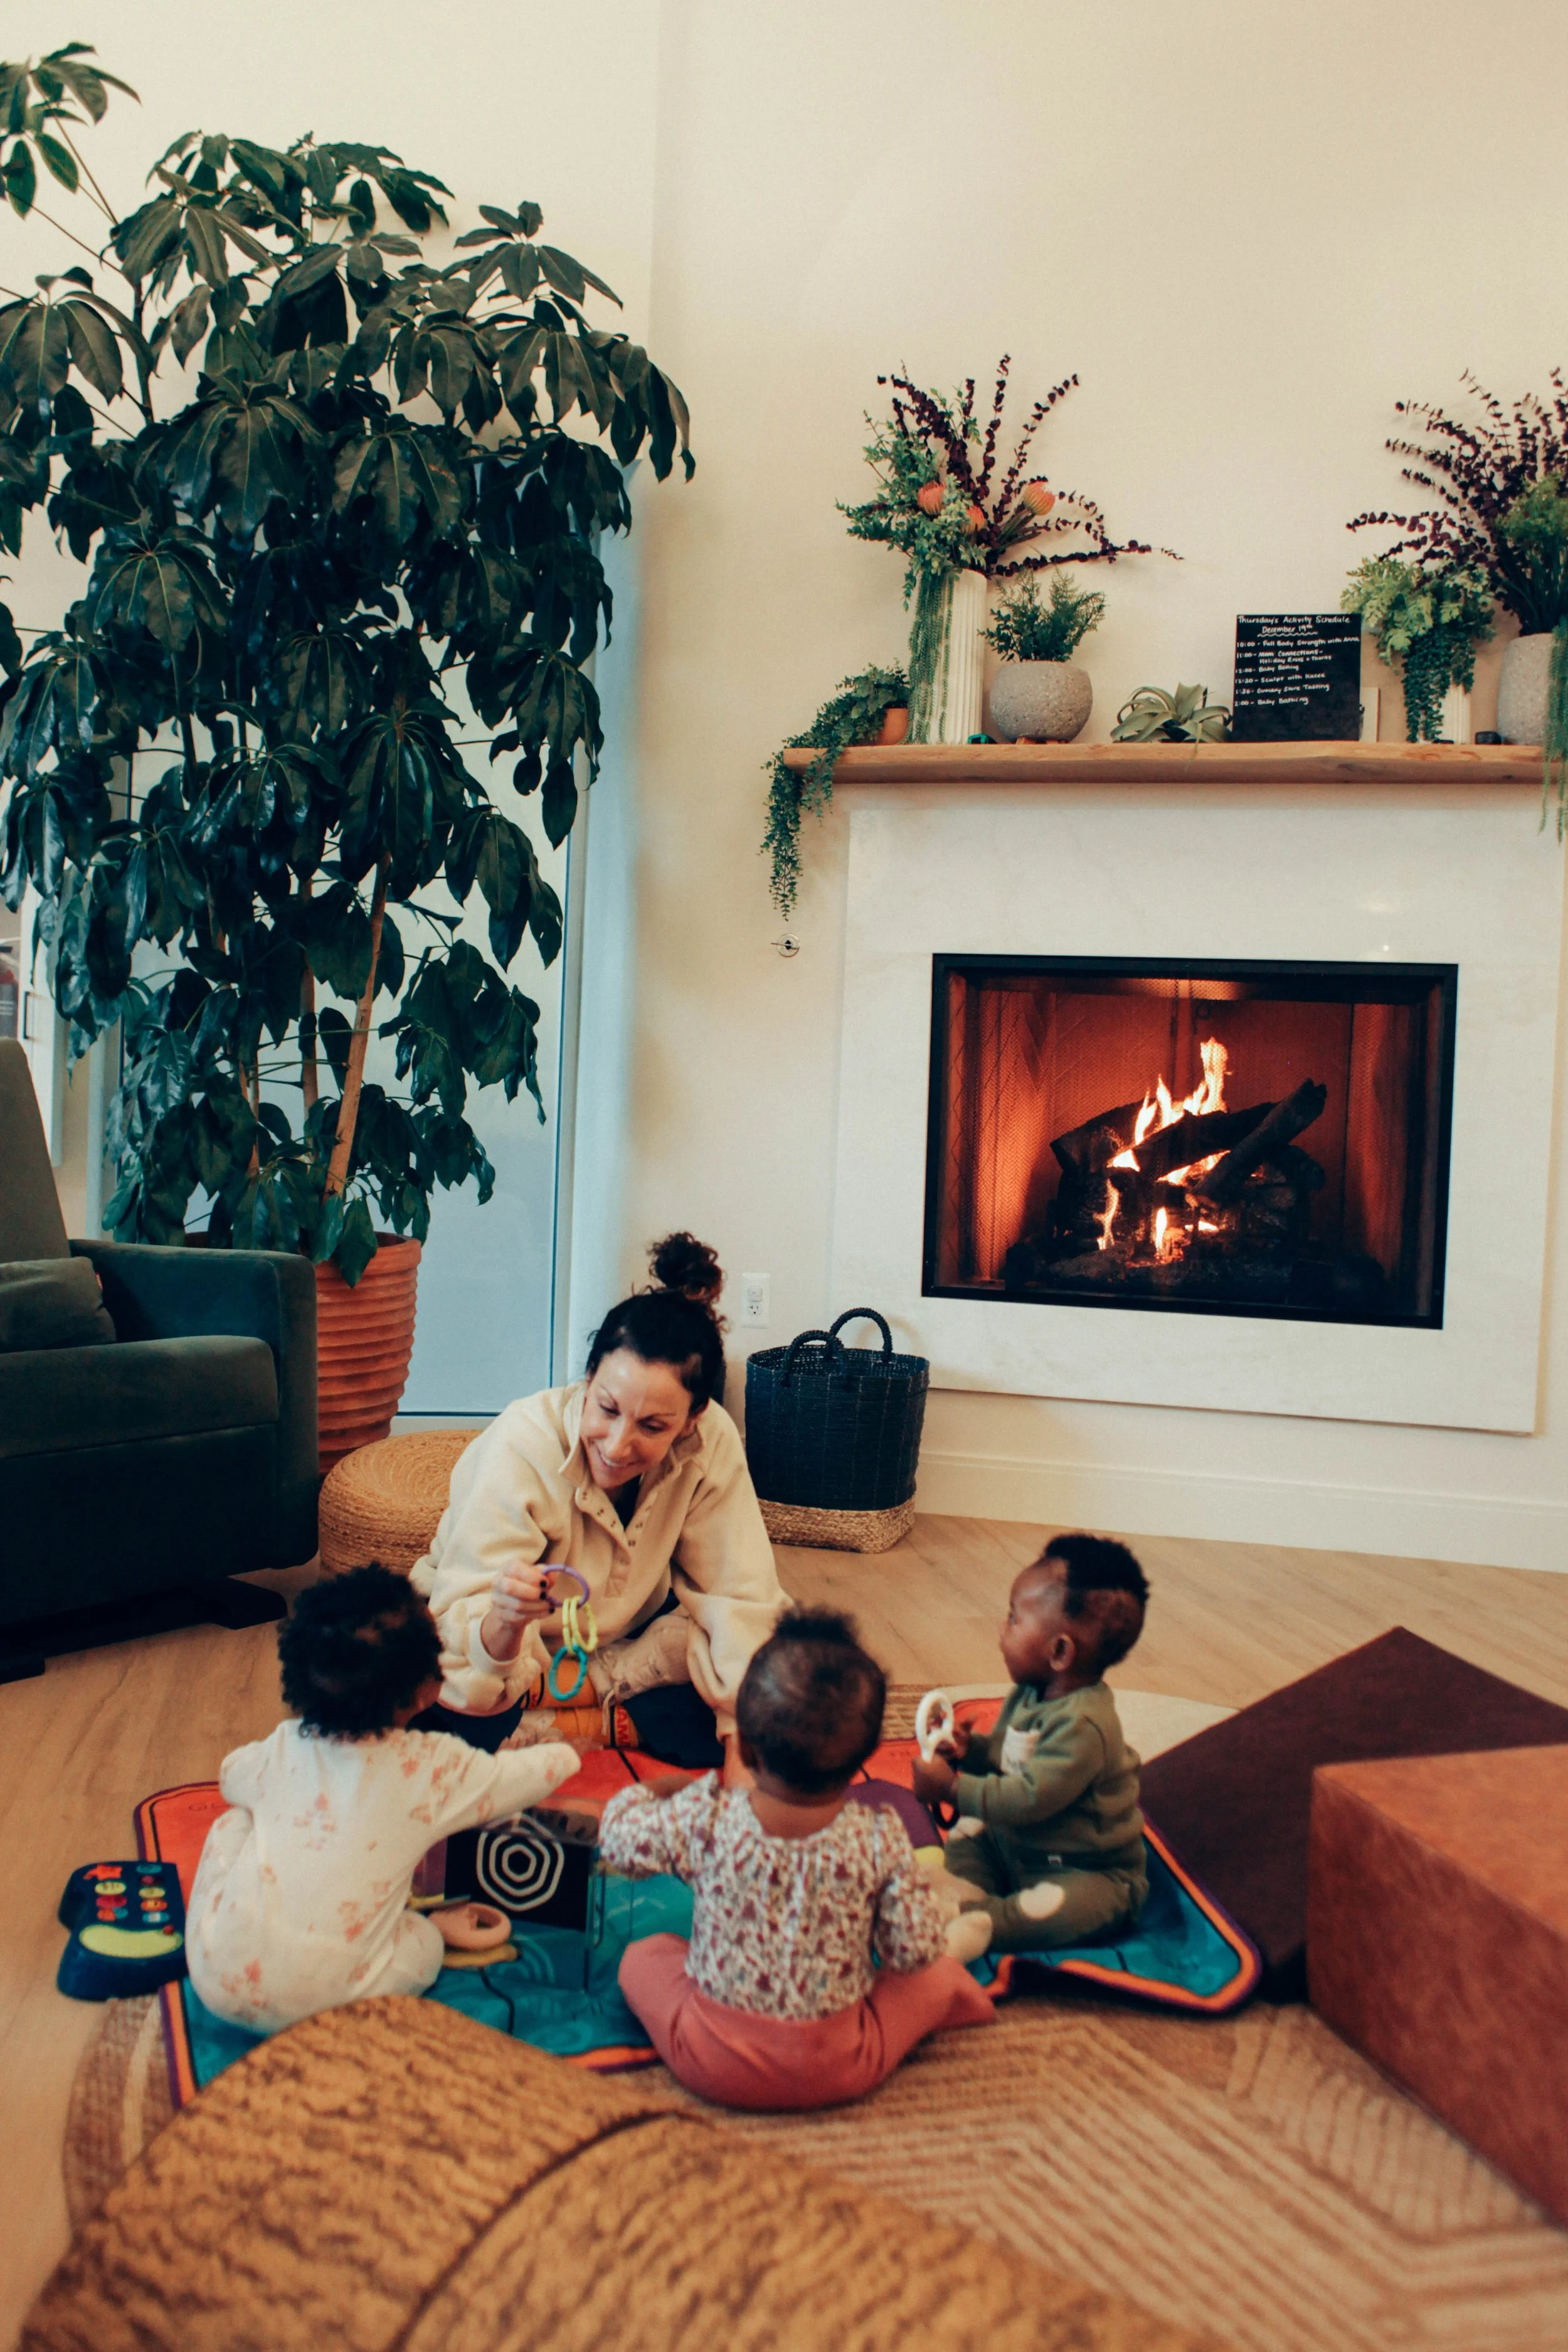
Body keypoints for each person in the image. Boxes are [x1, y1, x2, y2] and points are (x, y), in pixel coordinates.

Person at [410, 1234, 787, 1775]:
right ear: (588, 1380)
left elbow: (741, 1598)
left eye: (653, 1427)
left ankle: (567, 1717)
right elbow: (463, 1645)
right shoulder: (523, 1443)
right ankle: (595, 1711)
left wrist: (744, 1762)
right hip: (505, 1644)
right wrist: (503, 1623)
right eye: (606, 1408)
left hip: (620, 1636)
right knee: (437, 1715)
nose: (616, 1445)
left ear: (694, 1417)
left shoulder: (713, 1441)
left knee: (779, 1702)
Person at [598, 1608, 995, 2111]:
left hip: (707, 2056)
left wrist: (655, 1792)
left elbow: (616, 1842)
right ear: (864, 1757)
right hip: (843, 2063)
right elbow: (911, 1951)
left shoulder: (706, 1819)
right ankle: (960, 1989)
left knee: (646, 1955)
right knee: (931, 1976)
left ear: (746, 1745)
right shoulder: (879, 1840)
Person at [185, 1567, 580, 2034]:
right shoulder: (433, 1767)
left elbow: (231, 1777)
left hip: (220, 1985)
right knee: (424, 1943)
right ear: (429, 1691)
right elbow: (533, 1776)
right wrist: (569, 1750)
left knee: (233, 1825)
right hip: (339, 2004)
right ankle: (432, 1931)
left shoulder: (282, 1747)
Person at [911, 1534, 1149, 1956]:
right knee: (972, 1831)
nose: (1003, 1629)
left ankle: (985, 1923)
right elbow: (1013, 1760)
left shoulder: (1085, 1726)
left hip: (1085, 1871)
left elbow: (1028, 1797)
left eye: (1014, 1619)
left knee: (1057, 1909)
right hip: (1022, 1848)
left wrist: (951, 1789)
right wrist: (973, 1753)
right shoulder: (1030, 1694)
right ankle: (966, 1894)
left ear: (1059, 1652)